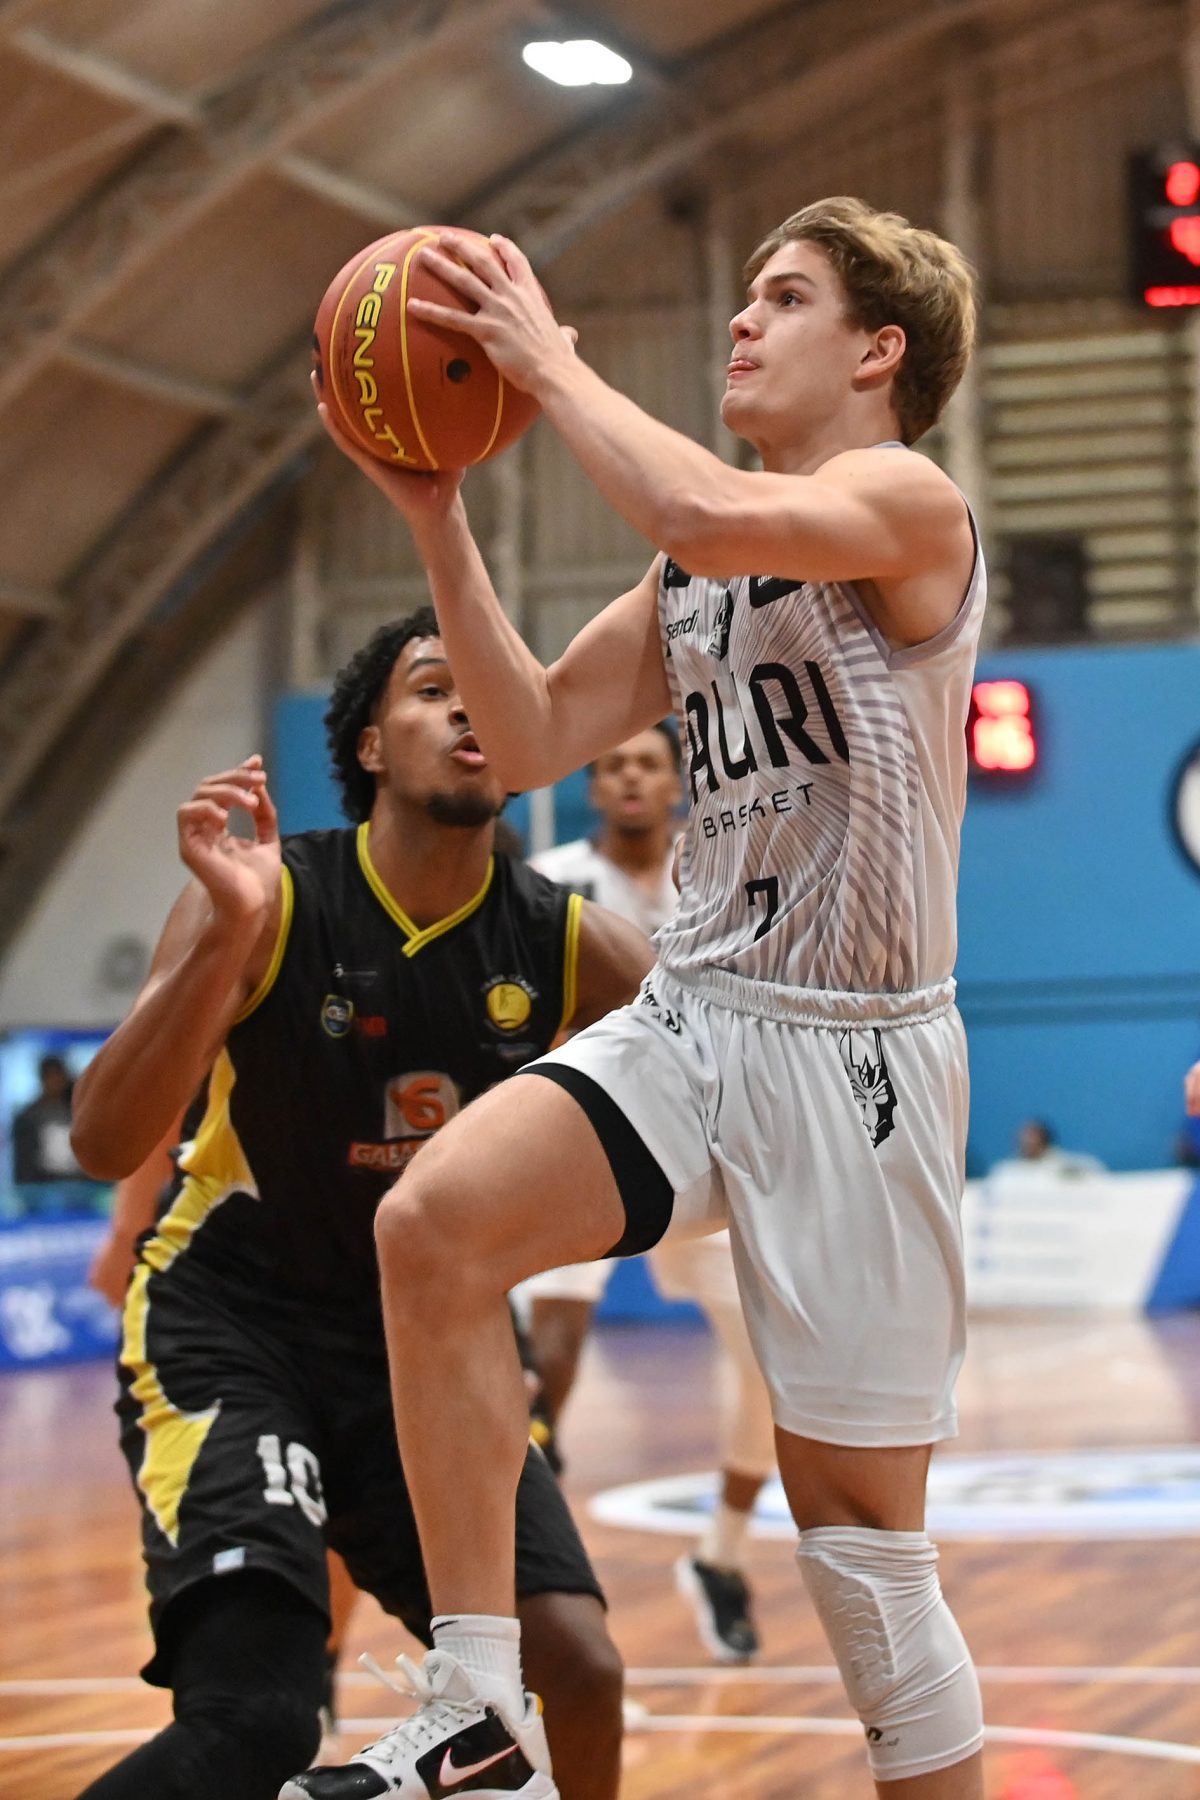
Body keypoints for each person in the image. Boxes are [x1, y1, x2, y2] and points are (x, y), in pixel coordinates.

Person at [301, 194, 987, 1800]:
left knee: (866, 1563)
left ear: (877, 351)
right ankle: (479, 1702)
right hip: (697, 1014)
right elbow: (535, 731)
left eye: (786, 297)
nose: (743, 320)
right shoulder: (692, 574)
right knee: (433, 1227)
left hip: (859, 1063)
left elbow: (710, 506)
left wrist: (542, 363)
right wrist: (437, 512)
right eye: (749, 293)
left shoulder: (909, 500)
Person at [69, 608, 650, 1800]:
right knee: (258, 1719)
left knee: (577, 1670)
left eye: (489, 687)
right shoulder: (267, 894)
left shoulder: (570, 943)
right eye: (434, 687)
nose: (468, 704)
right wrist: (224, 942)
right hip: (234, 1325)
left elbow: (728, 1099)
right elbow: (103, 1138)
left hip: (426, 1345)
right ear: (371, 746)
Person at [521, 723, 775, 1662]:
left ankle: (721, 1557)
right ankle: (527, 1578)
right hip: (576, 1142)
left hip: (705, 1152)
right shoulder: (547, 882)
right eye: (613, 763)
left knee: (774, 1371)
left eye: (648, 762)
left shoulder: (723, 876)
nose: (630, 775)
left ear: (680, 783)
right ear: (593, 787)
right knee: (550, 1357)